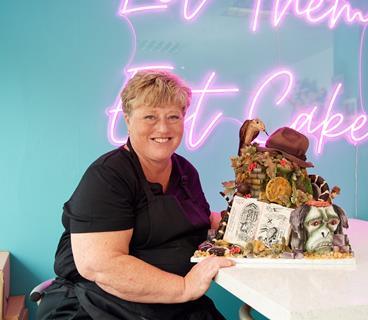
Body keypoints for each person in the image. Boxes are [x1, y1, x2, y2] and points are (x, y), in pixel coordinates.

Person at [37, 70, 234, 320]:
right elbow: (102, 266)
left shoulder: (185, 171)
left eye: (173, 116)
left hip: (168, 306)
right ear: (128, 119)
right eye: (150, 116)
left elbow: (198, 223)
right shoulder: (108, 176)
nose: (163, 127)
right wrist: (184, 287)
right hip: (99, 305)